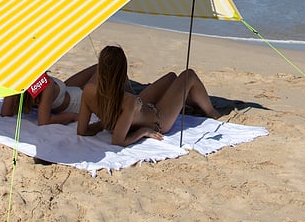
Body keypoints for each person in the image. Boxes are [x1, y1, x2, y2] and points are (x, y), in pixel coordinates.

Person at [77, 45, 220, 147]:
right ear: (122, 72)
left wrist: (104, 124)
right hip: (158, 120)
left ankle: (189, 102)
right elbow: (118, 141)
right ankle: (211, 112)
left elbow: (82, 131)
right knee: (189, 75)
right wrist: (142, 132)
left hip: (134, 114)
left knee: (171, 77)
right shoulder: (128, 101)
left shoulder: (89, 91)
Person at [0, 63, 97, 125]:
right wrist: (72, 116)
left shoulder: (18, 82)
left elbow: (5, 112)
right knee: (99, 67)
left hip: (68, 90)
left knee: (97, 67)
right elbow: (44, 121)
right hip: (79, 100)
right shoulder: (47, 85)